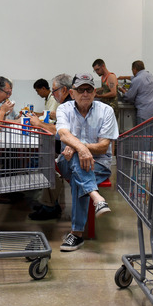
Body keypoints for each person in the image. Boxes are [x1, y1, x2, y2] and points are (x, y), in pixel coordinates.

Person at [56, 73, 119, 251]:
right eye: (80, 90)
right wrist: (81, 149)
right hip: (66, 162)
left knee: (79, 172)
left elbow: (104, 146)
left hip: (99, 164)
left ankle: (77, 235)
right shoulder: (64, 109)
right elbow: (63, 134)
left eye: (89, 90)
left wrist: (78, 147)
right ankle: (96, 197)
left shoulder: (106, 111)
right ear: (72, 92)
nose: (85, 93)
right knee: (78, 159)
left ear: (94, 92)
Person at [27, 73, 74, 221]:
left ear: (64, 90)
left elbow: (59, 131)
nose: (52, 94)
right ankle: (48, 203)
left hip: (69, 152)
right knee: (46, 162)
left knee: (49, 166)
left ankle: (49, 207)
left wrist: (39, 123)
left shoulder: (67, 106)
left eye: (54, 90)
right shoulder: (67, 104)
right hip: (66, 149)